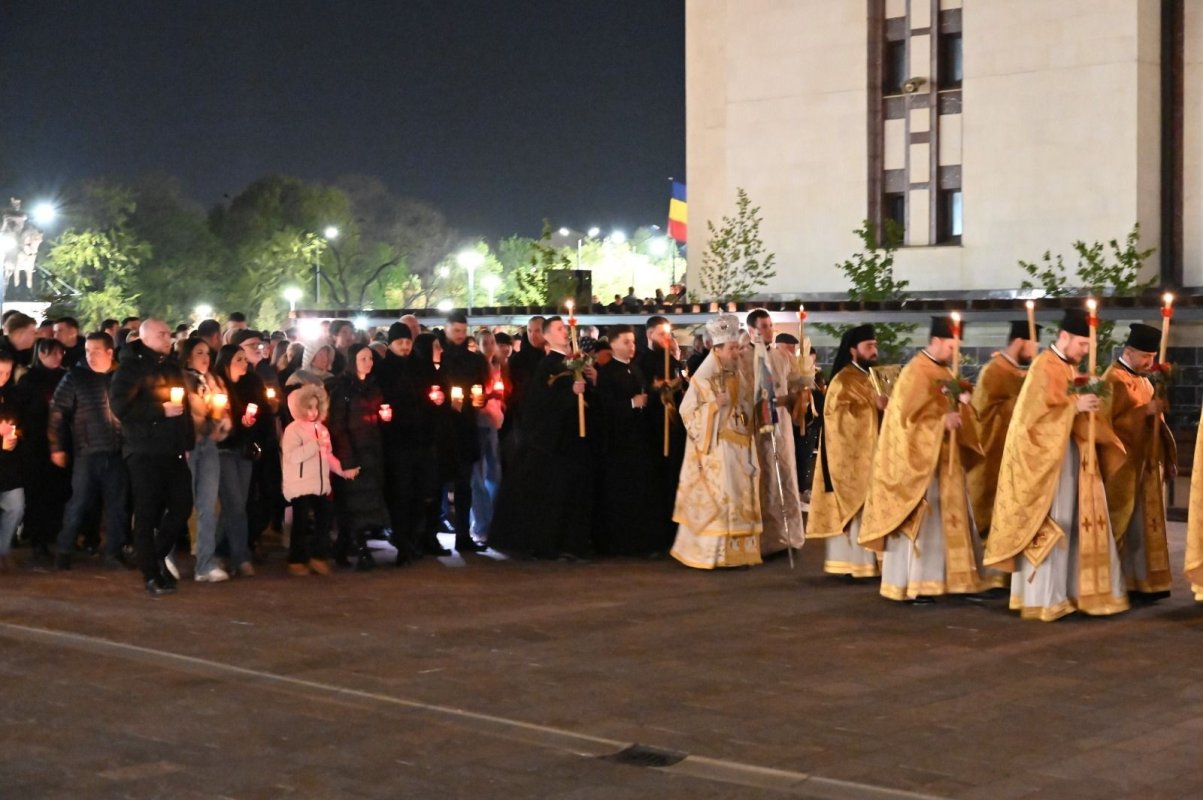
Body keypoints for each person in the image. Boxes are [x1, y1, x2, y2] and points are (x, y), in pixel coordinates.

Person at [984, 309, 1130, 621]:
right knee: (1055, 522)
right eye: (1081, 344)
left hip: (1071, 456)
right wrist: (1073, 407)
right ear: (1063, 337)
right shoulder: (1043, 367)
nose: (1084, 351)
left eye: (1088, 347)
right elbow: (1032, 421)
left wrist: (1091, 403)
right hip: (1047, 463)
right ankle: (1043, 598)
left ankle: (1071, 591)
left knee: (1074, 522)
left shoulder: (1068, 367)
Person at [860, 316, 995, 603]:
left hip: (947, 461)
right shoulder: (915, 373)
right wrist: (939, 424)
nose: (954, 354)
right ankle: (919, 584)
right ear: (935, 341)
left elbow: (955, 412)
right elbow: (903, 424)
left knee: (954, 522)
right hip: (922, 468)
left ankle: (958, 581)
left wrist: (965, 407)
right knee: (927, 525)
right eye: (950, 347)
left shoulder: (945, 373)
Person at [490, 316, 596, 560]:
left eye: (565, 329)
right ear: (547, 336)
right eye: (559, 329)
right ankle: (551, 543)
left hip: (573, 438)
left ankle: (573, 542)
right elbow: (541, 404)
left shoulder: (574, 363)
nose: (565, 332)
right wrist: (571, 393)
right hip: (553, 443)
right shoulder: (548, 365)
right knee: (553, 495)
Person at [109, 319, 194, 596]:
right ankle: (150, 574)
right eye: (162, 334)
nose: (168, 338)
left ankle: (155, 553)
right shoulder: (131, 367)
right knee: (146, 512)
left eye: (169, 334)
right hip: (144, 451)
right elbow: (121, 405)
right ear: (145, 337)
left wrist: (187, 440)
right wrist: (159, 410)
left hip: (172, 449)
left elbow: (185, 408)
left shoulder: (171, 366)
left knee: (182, 504)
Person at [669, 314, 762, 569]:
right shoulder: (702, 378)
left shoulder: (738, 374)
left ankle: (738, 555)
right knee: (721, 500)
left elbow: (744, 408)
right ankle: (712, 555)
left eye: (736, 348)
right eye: (732, 349)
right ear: (717, 350)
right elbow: (687, 412)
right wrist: (711, 407)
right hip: (716, 450)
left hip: (740, 448)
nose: (736, 352)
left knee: (739, 498)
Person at [1101, 323, 1175, 600]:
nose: (1150, 363)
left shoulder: (1145, 381)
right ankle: (1115, 582)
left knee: (1146, 525)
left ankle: (1145, 581)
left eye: (1153, 357)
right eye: (1146, 356)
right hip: (1122, 464)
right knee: (1122, 522)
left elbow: (1158, 423)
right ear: (1129, 351)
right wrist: (1145, 410)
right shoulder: (1112, 380)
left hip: (1146, 462)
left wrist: (1167, 455)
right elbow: (1106, 424)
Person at [807, 324, 885, 578]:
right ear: (853, 350)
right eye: (869, 346)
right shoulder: (843, 380)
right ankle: (852, 565)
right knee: (857, 511)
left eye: (874, 345)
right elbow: (837, 421)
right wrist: (873, 409)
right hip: (851, 461)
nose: (874, 350)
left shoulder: (870, 377)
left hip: (874, 455)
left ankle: (871, 563)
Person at [50, 332, 129, 570]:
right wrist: (56, 446)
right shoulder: (75, 377)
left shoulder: (120, 377)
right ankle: (64, 550)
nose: (90, 355)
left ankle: (113, 553)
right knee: (79, 502)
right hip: (87, 451)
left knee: (117, 506)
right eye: (87, 350)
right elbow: (57, 413)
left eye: (96, 350)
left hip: (117, 451)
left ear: (109, 352)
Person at [966, 321, 1037, 538]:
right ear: (1019, 342)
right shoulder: (993, 371)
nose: (1035, 351)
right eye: (1033, 345)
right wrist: (1025, 402)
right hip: (991, 452)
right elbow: (982, 411)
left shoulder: (1013, 372)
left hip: (1009, 452)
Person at [745, 309, 807, 557]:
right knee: (767, 480)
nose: (769, 330)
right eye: (764, 326)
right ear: (752, 330)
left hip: (782, 423)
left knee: (787, 476)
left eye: (771, 325)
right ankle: (767, 540)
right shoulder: (742, 357)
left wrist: (801, 393)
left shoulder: (783, 356)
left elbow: (794, 385)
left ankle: (790, 537)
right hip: (760, 425)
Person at [594, 325, 659, 555]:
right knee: (623, 493)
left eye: (633, 342)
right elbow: (604, 408)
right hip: (619, 443)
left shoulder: (635, 369)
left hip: (638, 439)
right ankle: (623, 544)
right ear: (612, 345)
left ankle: (642, 541)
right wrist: (631, 404)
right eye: (626, 342)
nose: (631, 347)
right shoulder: (607, 372)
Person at [326, 343, 390, 568]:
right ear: (353, 361)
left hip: (371, 451)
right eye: (363, 359)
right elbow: (338, 426)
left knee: (364, 502)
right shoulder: (342, 389)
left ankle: (342, 549)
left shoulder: (372, 387)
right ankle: (361, 550)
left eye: (370, 358)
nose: (368, 363)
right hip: (352, 451)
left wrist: (384, 417)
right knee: (354, 503)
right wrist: (347, 457)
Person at [436, 312, 490, 553]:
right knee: (439, 482)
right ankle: (432, 531)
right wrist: (447, 401)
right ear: (446, 330)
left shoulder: (474, 359)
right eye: (455, 331)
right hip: (444, 426)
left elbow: (482, 386)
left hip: (466, 425)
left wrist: (480, 398)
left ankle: (462, 535)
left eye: (462, 331)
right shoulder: (440, 358)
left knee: (464, 483)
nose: (459, 335)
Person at [181, 337, 232, 583]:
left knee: (208, 505)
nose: (205, 357)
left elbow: (224, 410)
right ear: (188, 355)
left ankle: (205, 563)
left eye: (208, 353)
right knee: (180, 504)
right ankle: (164, 555)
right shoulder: (180, 379)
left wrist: (221, 423)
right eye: (199, 352)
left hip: (209, 446)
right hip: (188, 447)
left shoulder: (214, 381)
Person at [638, 316, 688, 552]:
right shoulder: (642, 361)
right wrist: (658, 389)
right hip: (653, 430)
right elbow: (643, 391)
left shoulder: (672, 359)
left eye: (668, 334)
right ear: (649, 335)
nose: (666, 339)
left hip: (674, 427)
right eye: (661, 334)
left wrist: (677, 386)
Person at [280, 382, 340, 576]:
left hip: (319, 482)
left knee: (324, 517)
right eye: (309, 407)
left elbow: (327, 454)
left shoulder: (321, 429)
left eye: (316, 407)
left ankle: (318, 555)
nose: (313, 412)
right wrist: (315, 446)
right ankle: (297, 558)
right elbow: (292, 456)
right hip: (300, 483)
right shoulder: (293, 430)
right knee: (301, 521)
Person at [211, 344, 259, 577]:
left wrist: (249, 421)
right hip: (222, 450)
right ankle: (241, 558)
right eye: (239, 359)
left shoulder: (248, 385)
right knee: (235, 505)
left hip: (243, 449)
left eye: (245, 358)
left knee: (235, 506)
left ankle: (218, 552)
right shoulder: (218, 386)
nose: (245, 363)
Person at [20, 337, 69, 563]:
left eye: (61, 353)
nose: (59, 357)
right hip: (36, 446)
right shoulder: (30, 380)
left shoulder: (66, 377)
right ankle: (37, 539)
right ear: (41, 354)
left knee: (58, 492)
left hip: (61, 442)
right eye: (53, 353)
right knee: (38, 494)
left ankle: (53, 534)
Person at [0, 350, 23, 572]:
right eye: (0, 372)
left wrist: (12, 437)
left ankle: (2, 550)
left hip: (8, 466)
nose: (4, 377)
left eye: (8, 372)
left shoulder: (11, 395)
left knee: (16, 506)